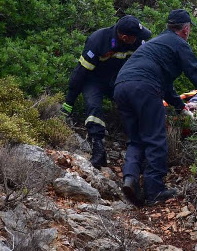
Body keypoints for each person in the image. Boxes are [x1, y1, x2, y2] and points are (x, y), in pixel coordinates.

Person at [114, 10, 197, 206]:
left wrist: (180, 106)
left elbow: (165, 85)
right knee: (155, 138)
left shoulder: (157, 44)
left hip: (121, 85)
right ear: (186, 29)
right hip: (144, 87)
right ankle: (154, 191)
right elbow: (195, 73)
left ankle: (130, 179)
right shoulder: (179, 43)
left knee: (136, 139)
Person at [63, 15, 152, 168]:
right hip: (94, 80)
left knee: (135, 106)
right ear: (125, 37)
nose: (139, 38)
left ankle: (142, 152)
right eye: (136, 36)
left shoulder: (138, 41)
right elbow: (81, 72)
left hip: (119, 79)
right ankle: (98, 149)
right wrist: (69, 102)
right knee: (93, 108)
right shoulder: (98, 40)